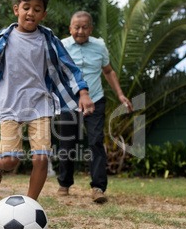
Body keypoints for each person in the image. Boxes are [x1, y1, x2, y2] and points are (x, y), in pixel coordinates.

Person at [0, 0, 95, 201]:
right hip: (9, 105)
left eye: (37, 9)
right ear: (17, 9)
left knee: (41, 158)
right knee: (10, 162)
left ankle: (30, 204)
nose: (31, 13)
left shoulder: (48, 39)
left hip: (40, 105)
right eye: (26, 7)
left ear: (43, 14)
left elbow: (70, 67)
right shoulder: (0, 39)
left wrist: (84, 93)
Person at [57, 11, 133, 203]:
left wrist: (120, 94)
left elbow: (108, 71)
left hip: (95, 100)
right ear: (70, 28)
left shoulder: (99, 46)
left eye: (84, 27)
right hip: (69, 101)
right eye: (77, 27)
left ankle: (98, 187)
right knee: (67, 143)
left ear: (91, 29)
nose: (80, 31)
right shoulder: (62, 46)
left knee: (96, 141)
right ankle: (64, 184)